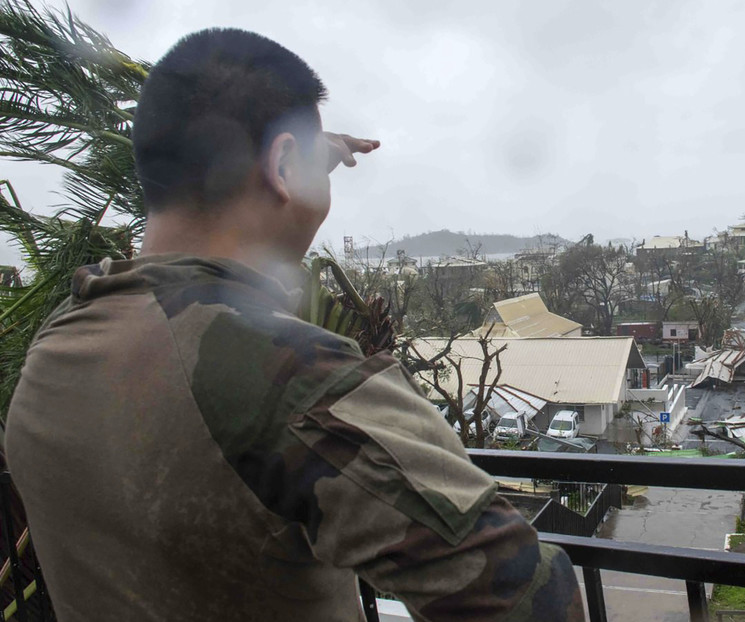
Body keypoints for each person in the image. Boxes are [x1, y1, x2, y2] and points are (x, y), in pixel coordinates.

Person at [5, 28, 583, 621]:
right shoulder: (291, 377)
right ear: (282, 166)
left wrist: (292, 156)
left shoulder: (60, 341)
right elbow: (526, 597)